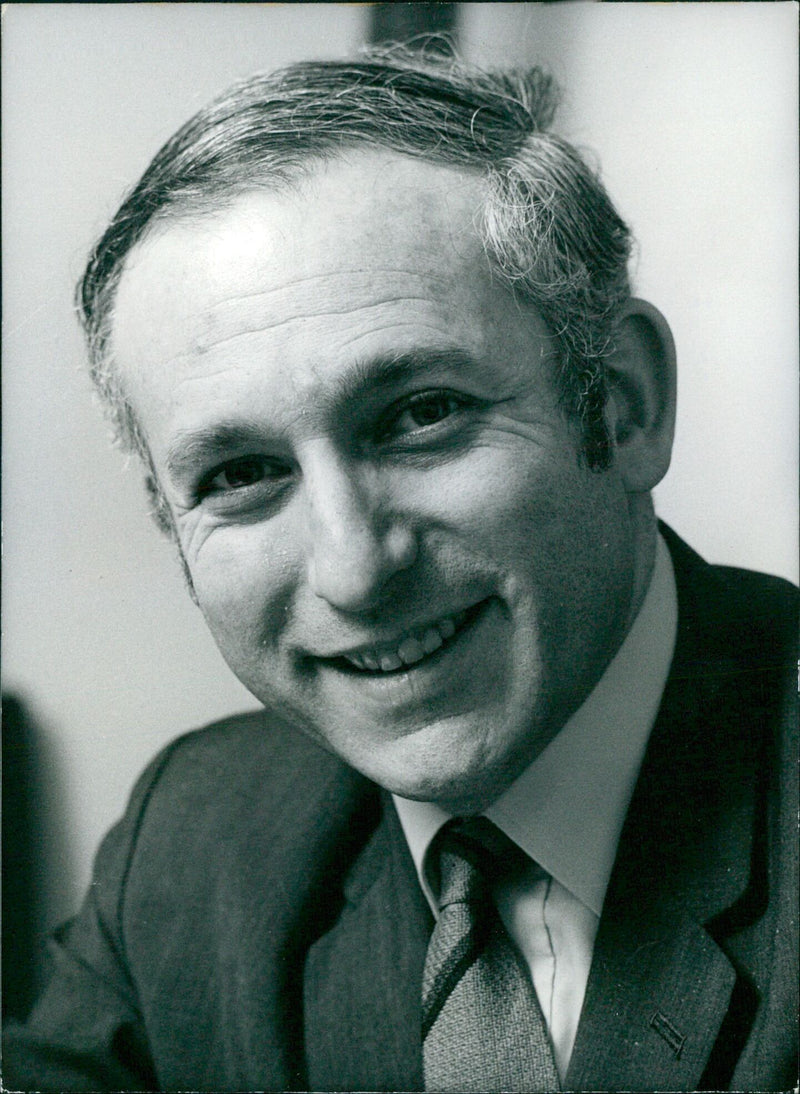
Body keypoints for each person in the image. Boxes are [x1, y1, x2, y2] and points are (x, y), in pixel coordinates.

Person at [4, 48, 796, 1093]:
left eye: (421, 414)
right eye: (241, 473)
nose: (353, 569)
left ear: (621, 401)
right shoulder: (193, 835)